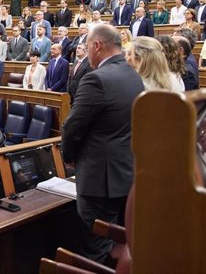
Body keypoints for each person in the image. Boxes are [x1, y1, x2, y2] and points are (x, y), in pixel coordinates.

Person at [61, 25, 144, 263]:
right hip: (124, 175)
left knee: (95, 248)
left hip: (99, 181)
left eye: (87, 47)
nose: (87, 53)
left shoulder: (96, 79)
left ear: (97, 46)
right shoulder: (134, 75)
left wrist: (68, 157)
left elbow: (71, 127)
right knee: (114, 241)